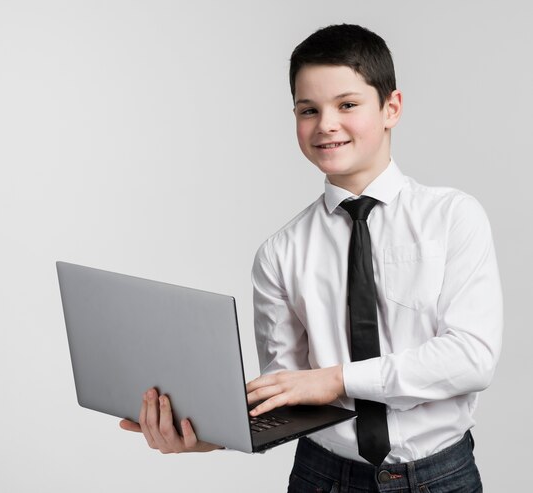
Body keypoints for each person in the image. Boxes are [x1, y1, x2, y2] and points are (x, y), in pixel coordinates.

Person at [121, 24, 503, 492]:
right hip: (324, 477)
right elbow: (290, 388)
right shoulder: (280, 253)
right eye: (308, 110)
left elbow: (471, 358)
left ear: (391, 108)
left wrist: (339, 380)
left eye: (347, 105)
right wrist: (211, 436)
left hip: (441, 476)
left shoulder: (453, 218)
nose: (326, 124)